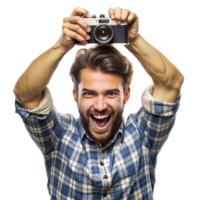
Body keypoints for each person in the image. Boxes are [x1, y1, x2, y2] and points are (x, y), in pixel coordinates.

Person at [12, 6, 186, 200]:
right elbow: (24, 94)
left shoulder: (143, 133)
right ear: (74, 94)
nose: (100, 106)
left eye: (111, 93)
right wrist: (61, 45)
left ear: (127, 95)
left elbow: (172, 84)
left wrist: (133, 39)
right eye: (89, 94)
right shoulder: (58, 135)